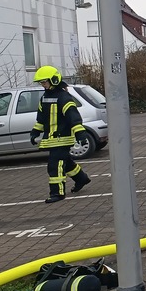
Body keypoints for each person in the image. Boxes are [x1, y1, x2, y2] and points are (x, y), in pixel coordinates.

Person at [30, 66, 91, 203]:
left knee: (55, 165)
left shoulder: (64, 98)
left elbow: (74, 118)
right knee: (66, 162)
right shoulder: (45, 97)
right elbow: (41, 119)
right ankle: (82, 179)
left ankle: (57, 193)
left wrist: (81, 135)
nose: (43, 85)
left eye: (44, 82)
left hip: (62, 138)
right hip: (52, 139)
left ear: (54, 80)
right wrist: (35, 132)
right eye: (41, 83)